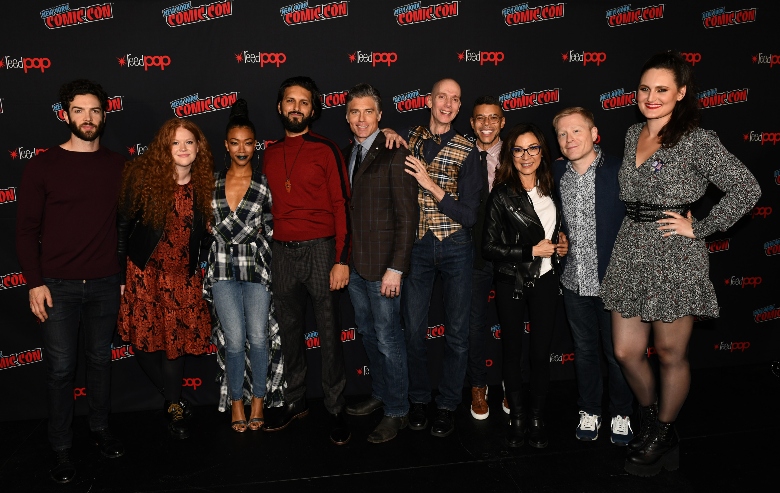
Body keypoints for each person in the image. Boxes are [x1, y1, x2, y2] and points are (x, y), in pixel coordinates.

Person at [599, 51, 760, 476]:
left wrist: (702, 227)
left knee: (670, 352)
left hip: (674, 252)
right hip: (631, 246)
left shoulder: (697, 139)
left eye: (662, 90)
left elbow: (747, 188)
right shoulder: (633, 132)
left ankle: (662, 429)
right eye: (645, 89)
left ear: (682, 93)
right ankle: (653, 418)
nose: (651, 97)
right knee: (626, 351)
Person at [16, 79, 125, 483]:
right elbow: (26, 229)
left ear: (104, 115)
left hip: (104, 283)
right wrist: (34, 283)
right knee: (61, 370)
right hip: (57, 286)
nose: (88, 118)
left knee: (100, 361)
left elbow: (127, 224)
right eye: (79, 110)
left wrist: (123, 277)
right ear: (65, 115)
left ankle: (99, 428)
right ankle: (61, 445)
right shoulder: (43, 165)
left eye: (95, 110)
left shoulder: (118, 164)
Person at [260, 76, 352, 445]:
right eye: (289, 101)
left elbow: (341, 206)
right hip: (281, 251)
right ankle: (294, 400)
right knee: (289, 333)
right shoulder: (267, 153)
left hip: (321, 250)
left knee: (330, 333)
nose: (296, 107)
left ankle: (335, 407)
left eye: (303, 102)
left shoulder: (327, 149)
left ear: (313, 110)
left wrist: (342, 259)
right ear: (280, 107)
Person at [116, 118, 214, 440]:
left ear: (198, 148)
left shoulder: (205, 186)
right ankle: (173, 396)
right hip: (145, 274)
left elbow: (206, 236)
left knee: (174, 346)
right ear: (165, 148)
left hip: (180, 278)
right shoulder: (143, 181)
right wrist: (120, 275)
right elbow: (122, 229)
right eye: (175, 143)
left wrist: (199, 266)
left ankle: (172, 405)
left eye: (189, 142)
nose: (183, 149)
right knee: (142, 343)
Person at [402, 78, 482, 437]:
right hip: (417, 247)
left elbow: (469, 215)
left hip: (455, 247)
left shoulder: (468, 151)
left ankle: (448, 404)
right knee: (414, 331)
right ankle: (418, 399)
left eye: (455, 98)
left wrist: (431, 186)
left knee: (458, 335)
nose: (448, 104)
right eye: (442, 97)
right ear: (429, 99)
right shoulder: (412, 138)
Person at [482, 123, 568, 449]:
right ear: (511, 155)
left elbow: (560, 229)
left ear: (542, 151)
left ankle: (536, 416)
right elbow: (488, 248)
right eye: (518, 149)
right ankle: (517, 417)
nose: (526, 155)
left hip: (545, 280)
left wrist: (561, 246)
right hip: (511, 282)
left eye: (532, 148)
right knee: (512, 351)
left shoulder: (553, 186)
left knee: (540, 353)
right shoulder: (502, 194)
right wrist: (530, 251)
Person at [551, 107, 634, 444]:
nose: (569, 139)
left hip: (614, 283)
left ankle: (622, 413)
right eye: (562, 134)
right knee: (584, 351)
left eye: (576, 131)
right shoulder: (557, 174)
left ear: (594, 133)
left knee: (618, 354)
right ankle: (590, 410)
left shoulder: (620, 169)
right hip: (573, 282)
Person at [341, 83, 418, 443]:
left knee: (389, 340)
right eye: (354, 111)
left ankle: (397, 411)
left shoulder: (395, 153)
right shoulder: (346, 155)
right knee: (369, 334)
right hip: (356, 266)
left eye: (368, 111)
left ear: (380, 115)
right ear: (346, 116)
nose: (361, 118)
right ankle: (383, 393)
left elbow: (408, 216)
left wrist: (397, 268)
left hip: (384, 268)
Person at [203, 100, 274, 432]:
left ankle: (258, 399)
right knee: (233, 340)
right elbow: (203, 224)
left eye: (248, 142)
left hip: (256, 270)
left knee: (258, 338)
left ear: (255, 144)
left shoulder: (263, 183)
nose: (242, 148)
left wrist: (258, 235)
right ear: (226, 145)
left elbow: (273, 228)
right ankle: (236, 402)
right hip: (221, 272)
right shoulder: (212, 182)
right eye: (235, 142)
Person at [466, 95, 505, 420]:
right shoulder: (463, 155)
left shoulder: (518, 154)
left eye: (493, 117)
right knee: (474, 325)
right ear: (472, 123)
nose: (487, 124)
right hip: (474, 256)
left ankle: (512, 384)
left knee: (513, 322)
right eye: (480, 118)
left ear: (502, 122)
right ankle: (478, 385)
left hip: (511, 255)